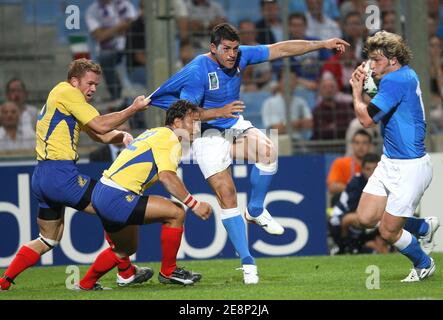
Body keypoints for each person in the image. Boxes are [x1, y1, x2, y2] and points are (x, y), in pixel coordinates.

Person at [149, 23, 350, 284]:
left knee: (268, 151)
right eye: (226, 49)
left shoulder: (242, 55)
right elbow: (184, 113)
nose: (232, 54)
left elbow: (281, 49)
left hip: (232, 124)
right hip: (205, 134)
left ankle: (255, 210)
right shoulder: (198, 71)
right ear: (213, 48)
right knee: (228, 194)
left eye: (235, 48)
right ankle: (247, 262)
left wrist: (321, 44)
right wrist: (219, 111)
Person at [0, 58, 150, 291]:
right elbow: (100, 125)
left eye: (96, 85)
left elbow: (98, 134)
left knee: (48, 238)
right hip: (61, 175)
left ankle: (4, 281)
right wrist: (133, 109)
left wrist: (121, 136)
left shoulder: (65, 100)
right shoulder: (67, 92)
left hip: (42, 176)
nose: (93, 89)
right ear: (74, 81)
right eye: (89, 83)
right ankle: (122, 273)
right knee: (111, 206)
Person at [77, 100, 212, 290]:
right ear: (176, 122)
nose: (196, 128)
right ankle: (169, 271)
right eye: (192, 122)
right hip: (117, 195)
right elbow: (167, 177)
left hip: (102, 191)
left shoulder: (155, 132)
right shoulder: (170, 138)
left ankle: (85, 284)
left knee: (124, 249)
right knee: (177, 212)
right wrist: (195, 204)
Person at [349, 30, 440, 282]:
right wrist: (370, 81)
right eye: (370, 59)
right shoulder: (401, 75)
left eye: (376, 60)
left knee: (388, 231)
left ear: (393, 59)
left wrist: (357, 92)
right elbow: (380, 105)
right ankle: (423, 227)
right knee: (365, 217)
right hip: (390, 161)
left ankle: (424, 263)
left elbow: (366, 119)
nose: (372, 64)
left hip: (411, 167)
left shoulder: (396, 81)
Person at [329, 153, 391, 255]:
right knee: (357, 218)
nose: (371, 172)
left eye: (374, 169)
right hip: (340, 220)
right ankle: (345, 247)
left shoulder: (386, 183)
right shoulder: (356, 183)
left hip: (369, 221)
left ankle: (373, 245)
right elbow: (355, 213)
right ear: (362, 170)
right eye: (368, 169)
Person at [327, 129, 372, 204]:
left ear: (370, 145)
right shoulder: (340, 163)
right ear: (352, 145)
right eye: (357, 143)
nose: (360, 147)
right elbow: (332, 186)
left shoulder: (377, 164)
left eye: (364, 143)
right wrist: (356, 189)